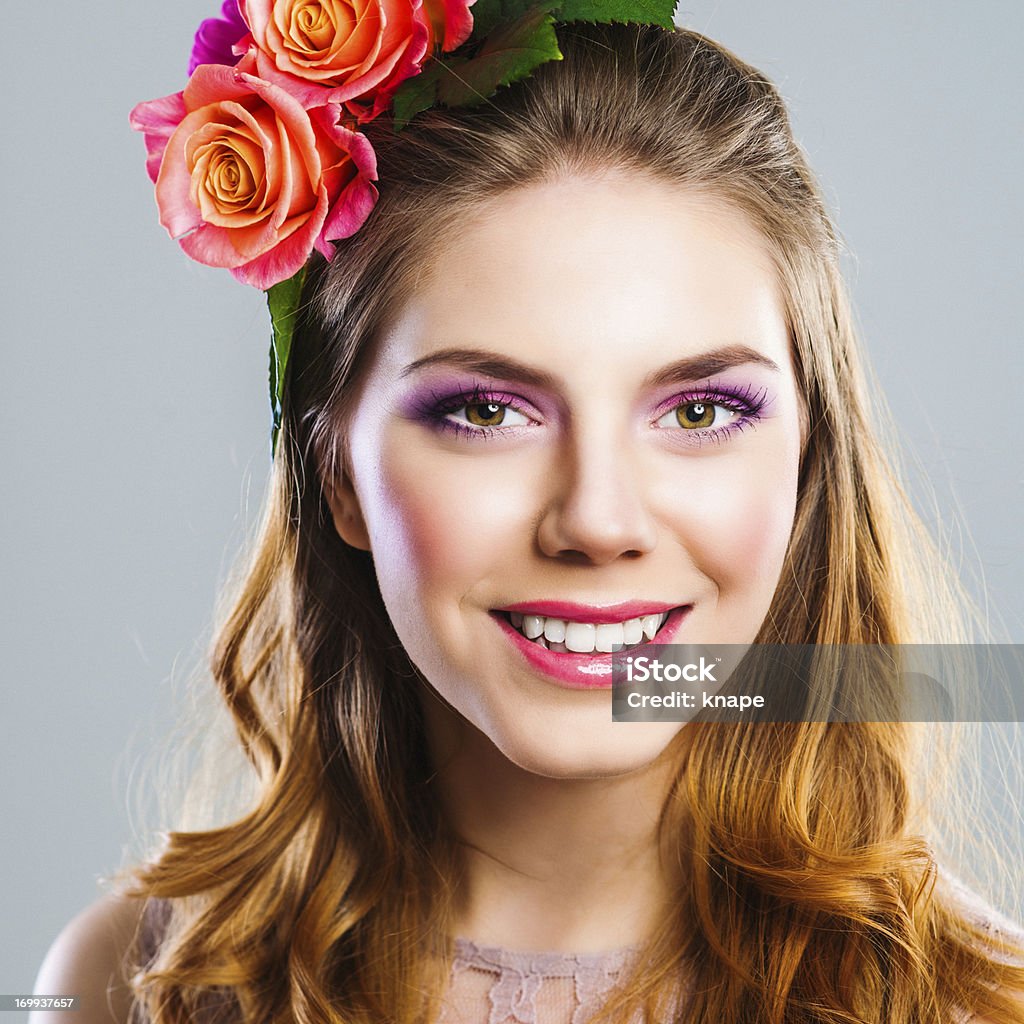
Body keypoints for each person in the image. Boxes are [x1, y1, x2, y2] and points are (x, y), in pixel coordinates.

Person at [33, 18, 1024, 1024]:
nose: (597, 519)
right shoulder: (122, 982)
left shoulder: (977, 1004)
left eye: (697, 411)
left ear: (809, 455)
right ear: (335, 468)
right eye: (485, 411)